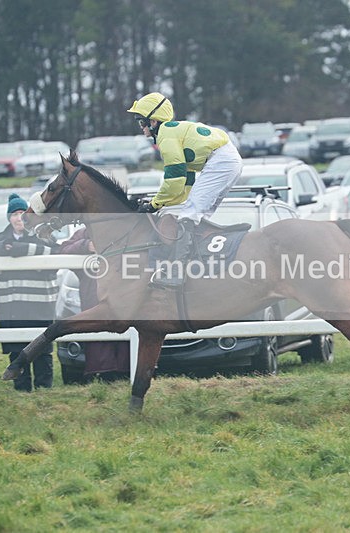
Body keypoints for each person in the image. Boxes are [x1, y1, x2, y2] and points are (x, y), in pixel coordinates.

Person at [127, 92, 243, 288]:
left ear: (153, 121)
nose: (141, 128)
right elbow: (184, 189)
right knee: (195, 215)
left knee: (189, 216)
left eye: (141, 122)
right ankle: (198, 258)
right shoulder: (176, 133)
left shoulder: (166, 136)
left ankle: (177, 273)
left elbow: (174, 179)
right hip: (228, 160)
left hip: (221, 161)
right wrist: (158, 203)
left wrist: (155, 203)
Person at [0, 193, 59, 392]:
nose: (19, 218)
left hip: (40, 304)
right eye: (14, 214)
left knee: (42, 348)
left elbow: (53, 255)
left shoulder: (44, 236)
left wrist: (17, 250)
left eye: (22, 213)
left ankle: (44, 388)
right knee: (16, 348)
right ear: (9, 218)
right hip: (12, 304)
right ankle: (21, 389)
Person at [58, 226, 130, 380]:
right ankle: (103, 375)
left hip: (123, 300)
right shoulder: (84, 233)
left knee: (125, 341)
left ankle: (125, 373)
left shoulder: (125, 229)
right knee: (99, 341)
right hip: (94, 300)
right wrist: (86, 245)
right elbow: (63, 249)